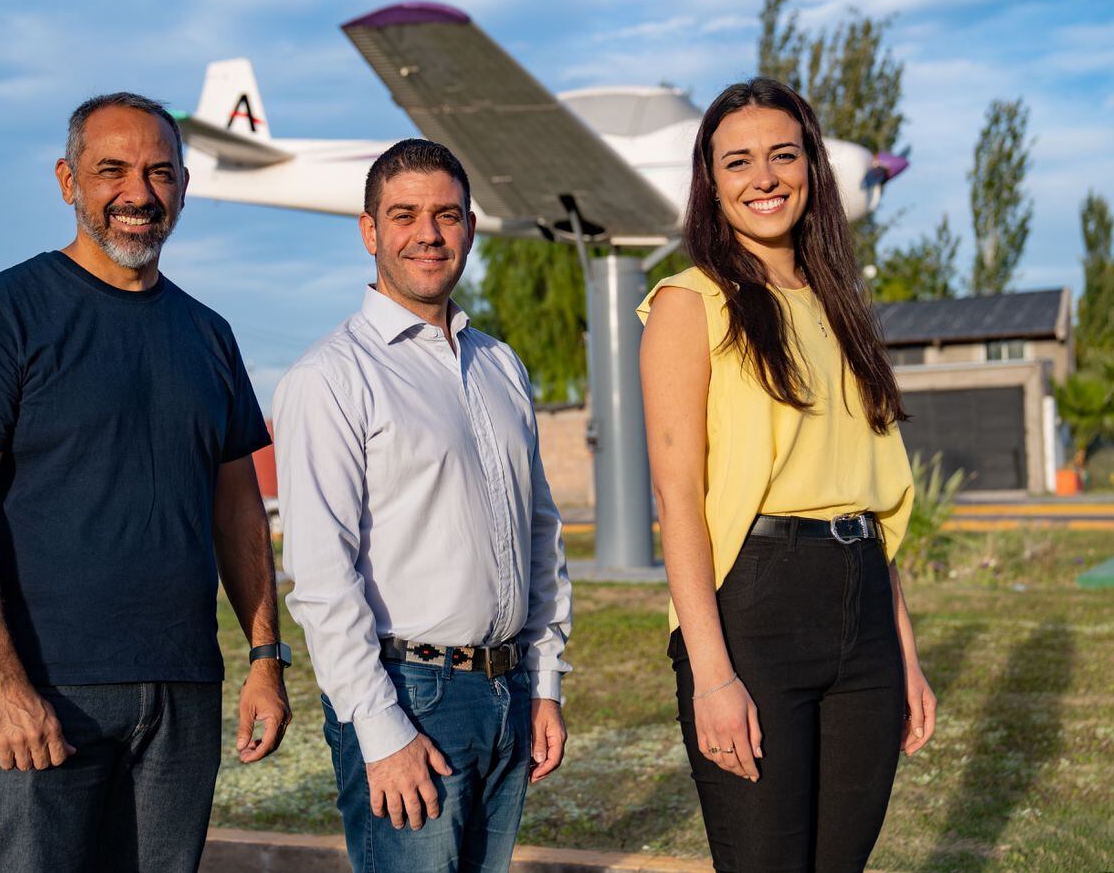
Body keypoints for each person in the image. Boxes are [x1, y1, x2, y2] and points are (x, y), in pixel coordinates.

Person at [0, 92, 292, 872]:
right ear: (67, 180)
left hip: (182, 691)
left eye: (159, 173)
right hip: (48, 691)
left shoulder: (207, 334)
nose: (137, 193)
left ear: (182, 188)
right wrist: (3, 683)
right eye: (110, 170)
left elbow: (239, 514)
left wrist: (265, 657)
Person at [637, 78, 938, 871]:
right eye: (738, 162)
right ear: (712, 183)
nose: (763, 178)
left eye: (782, 154)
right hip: (756, 611)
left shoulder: (843, 306)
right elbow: (678, 500)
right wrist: (711, 674)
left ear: (811, 167)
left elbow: (869, 498)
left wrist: (903, 653)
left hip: (863, 603)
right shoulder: (688, 304)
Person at [273, 138, 573, 873]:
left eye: (446, 215)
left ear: (470, 227)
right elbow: (319, 578)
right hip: (410, 697)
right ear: (371, 231)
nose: (428, 234)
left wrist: (546, 682)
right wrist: (382, 733)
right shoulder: (331, 378)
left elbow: (540, 535)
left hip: (509, 692)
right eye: (404, 215)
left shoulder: (500, 365)